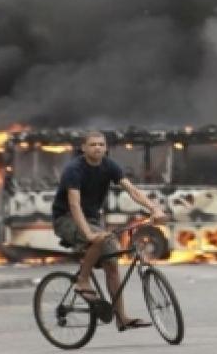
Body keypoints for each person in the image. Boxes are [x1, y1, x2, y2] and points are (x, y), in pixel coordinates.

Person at [51, 130, 167, 331]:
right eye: (93, 144)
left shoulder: (109, 166)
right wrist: (88, 233)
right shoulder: (74, 169)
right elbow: (74, 205)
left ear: (106, 148)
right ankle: (82, 280)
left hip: (94, 220)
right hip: (67, 218)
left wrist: (154, 208)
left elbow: (132, 190)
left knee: (112, 264)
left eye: (101, 144)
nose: (97, 148)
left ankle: (122, 318)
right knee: (100, 239)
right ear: (84, 148)